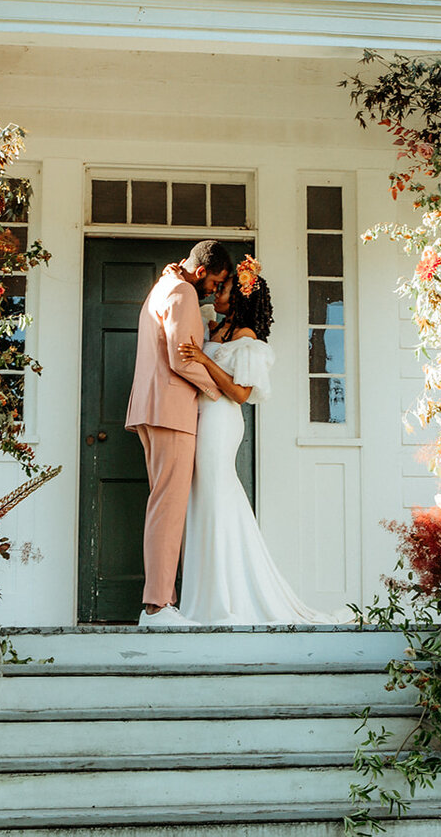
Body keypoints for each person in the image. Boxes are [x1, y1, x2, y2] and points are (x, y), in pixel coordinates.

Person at [176, 257, 338, 624]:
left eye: (225, 289)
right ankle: (207, 592)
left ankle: (225, 597)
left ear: (242, 300)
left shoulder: (246, 338)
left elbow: (242, 393)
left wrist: (204, 357)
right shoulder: (215, 327)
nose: (216, 291)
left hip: (221, 420)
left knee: (216, 493)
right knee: (205, 497)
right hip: (201, 417)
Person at [125, 239, 232, 627]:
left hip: (151, 407)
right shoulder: (183, 290)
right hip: (170, 411)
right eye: (215, 282)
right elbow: (182, 357)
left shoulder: (165, 284)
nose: (214, 291)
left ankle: (164, 600)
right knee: (168, 509)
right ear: (201, 272)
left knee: (163, 506)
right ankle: (156, 606)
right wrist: (221, 391)